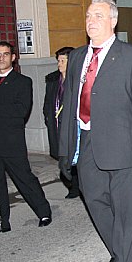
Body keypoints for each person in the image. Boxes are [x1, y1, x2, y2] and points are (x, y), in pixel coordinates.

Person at [58, 0, 132, 262]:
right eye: (88, 15)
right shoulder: (76, 57)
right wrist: (64, 149)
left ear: (113, 21)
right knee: (95, 200)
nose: (90, 21)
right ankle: (119, 248)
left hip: (122, 146)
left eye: (97, 16)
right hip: (86, 142)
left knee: (124, 210)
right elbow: (71, 103)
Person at [0, 42, 52, 237]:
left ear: (13, 58)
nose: (1, 58)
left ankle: (43, 212)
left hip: (11, 141)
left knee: (24, 179)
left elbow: (21, 111)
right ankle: (0, 222)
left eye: (6, 54)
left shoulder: (23, 82)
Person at [44, 46, 79, 198]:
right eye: (58, 61)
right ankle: (71, 184)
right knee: (62, 157)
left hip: (72, 127)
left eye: (62, 61)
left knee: (75, 156)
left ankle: (76, 187)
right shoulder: (53, 80)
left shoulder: (78, 81)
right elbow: (47, 102)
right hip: (57, 125)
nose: (59, 64)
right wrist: (47, 116)